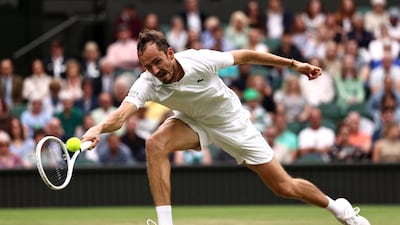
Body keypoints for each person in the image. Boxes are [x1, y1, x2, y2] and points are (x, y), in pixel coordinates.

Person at [82, 29, 369, 225]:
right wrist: (98, 129)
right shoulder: (147, 83)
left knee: (284, 187)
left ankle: (340, 209)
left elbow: (245, 55)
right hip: (193, 122)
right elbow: (121, 116)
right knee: (155, 143)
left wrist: (295, 65)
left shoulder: (200, 60)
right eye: (147, 66)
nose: (155, 71)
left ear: (170, 53)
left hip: (232, 123)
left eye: (157, 62)